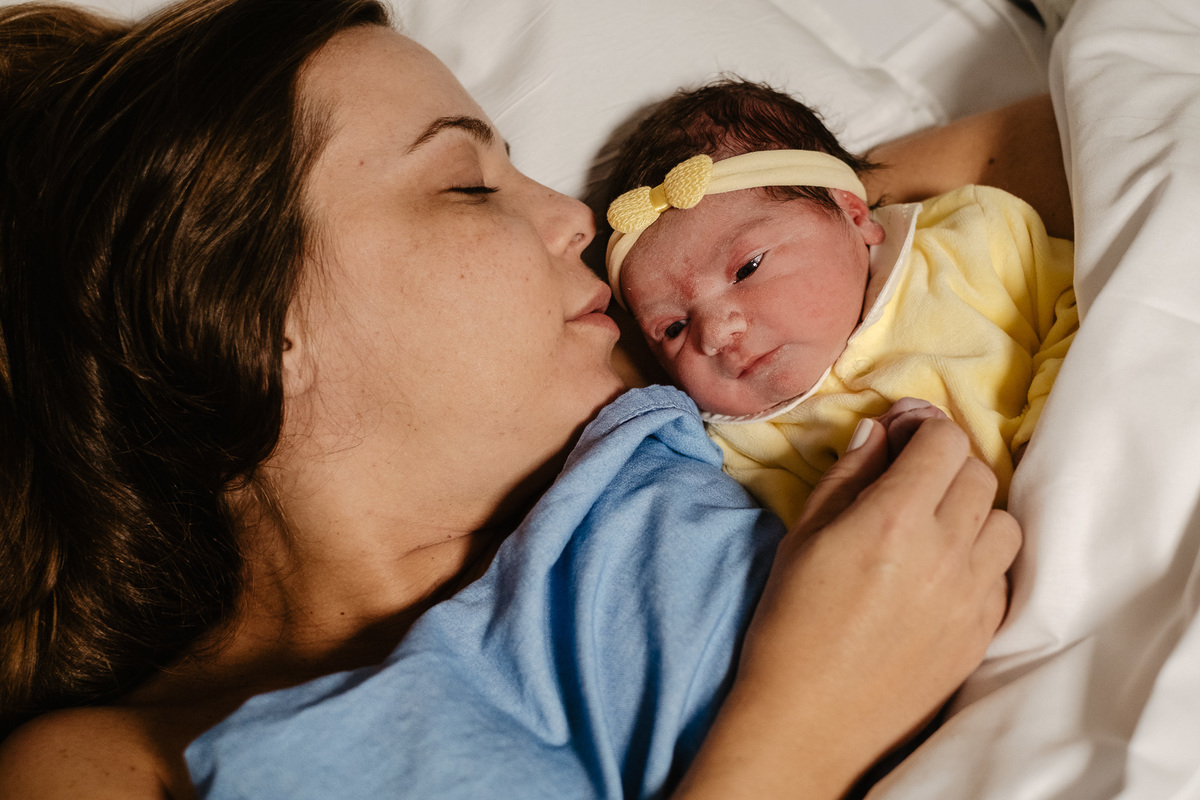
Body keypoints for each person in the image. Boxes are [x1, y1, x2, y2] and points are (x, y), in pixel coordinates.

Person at [0, 1, 1027, 797]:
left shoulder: (698, 389)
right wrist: (808, 722)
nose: (578, 216)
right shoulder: (108, 763)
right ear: (242, 314)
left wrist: (794, 196)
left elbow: (1113, 123)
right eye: (468, 185)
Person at [605, 81, 1079, 526]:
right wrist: (865, 492)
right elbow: (801, 547)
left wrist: (1047, 434)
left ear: (854, 215)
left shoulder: (968, 240)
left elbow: (1083, 310)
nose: (714, 333)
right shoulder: (743, 448)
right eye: (672, 328)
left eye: (747, 268)